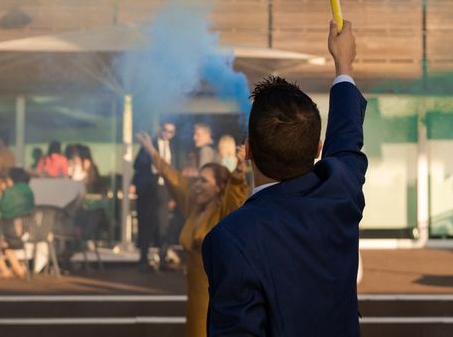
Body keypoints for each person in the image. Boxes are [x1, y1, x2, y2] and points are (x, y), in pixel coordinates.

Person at [202, 19, 367, 336]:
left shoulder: (230, 238)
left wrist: (343, 64)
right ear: (317, 148)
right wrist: (343, 64)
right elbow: (346, 141)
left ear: (247, 150)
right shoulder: (339, 193)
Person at [136, 132, 248, 337]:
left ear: (219, 187)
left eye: (203, 181)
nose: (197, 185)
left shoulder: (225, 212)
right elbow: (172, 176)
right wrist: (151, 149)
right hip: (195, 294)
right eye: (196, 180)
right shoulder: (194, 207)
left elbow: (236, 191)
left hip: (218, 294)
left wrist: (240, 167)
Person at [130, 120, 176, 272]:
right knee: (146, 224)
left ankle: (163, 259)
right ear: (160, 129)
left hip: (164, 190)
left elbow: (175, 173)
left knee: (164, 225)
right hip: (148, 189)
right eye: (165, 130)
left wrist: (172, 196)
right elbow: (137, 165)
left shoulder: (173, 147)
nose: (167, 133)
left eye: (170, 131)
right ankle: (143, 259)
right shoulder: (150, 144)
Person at [0, 167, 35, 279]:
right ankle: (18, 269)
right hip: (29, 231)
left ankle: (5, 270)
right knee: (6, 245)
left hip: (11, 231)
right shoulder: (28, 190)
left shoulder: (9, 191)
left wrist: (2, 191)